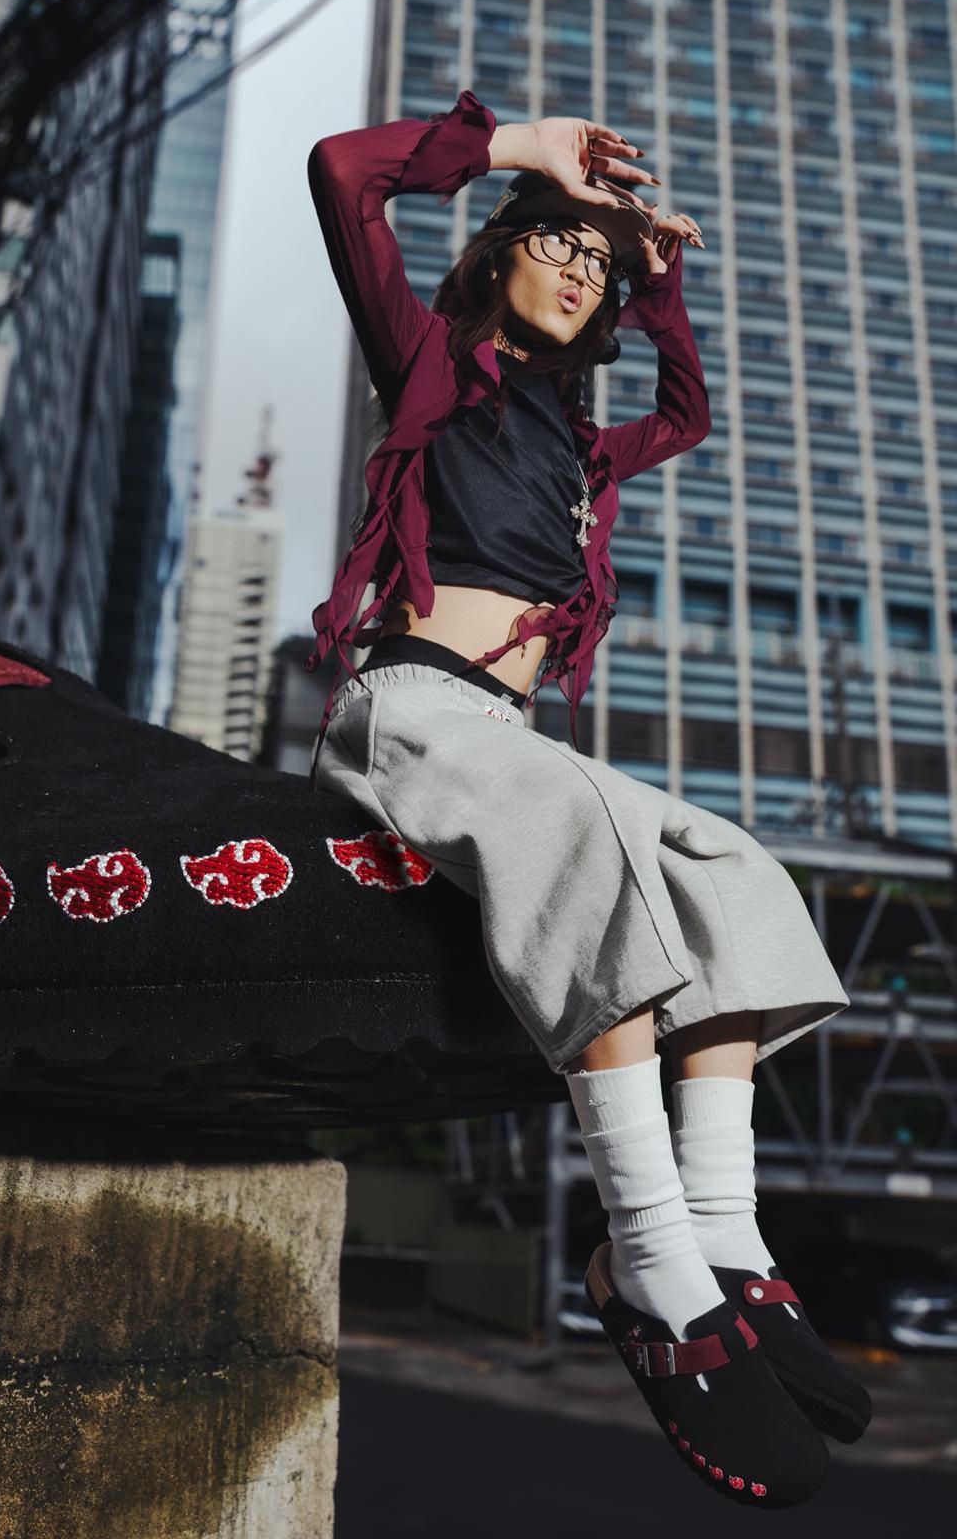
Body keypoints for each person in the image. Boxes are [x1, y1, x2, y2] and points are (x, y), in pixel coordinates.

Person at [304, 90, 871, 1507]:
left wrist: (657, 277)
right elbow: (342, 171)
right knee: (587, 832)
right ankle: (649, 1258)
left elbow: (686, 414)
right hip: (410, 717)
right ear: (497, 254)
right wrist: (529, 152)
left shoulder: (578, 446)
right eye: (555, 243)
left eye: (597, 263)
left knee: (732, 866)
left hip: (508, 744)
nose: (578, 269)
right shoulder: (429, 364)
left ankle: (722, 1232)